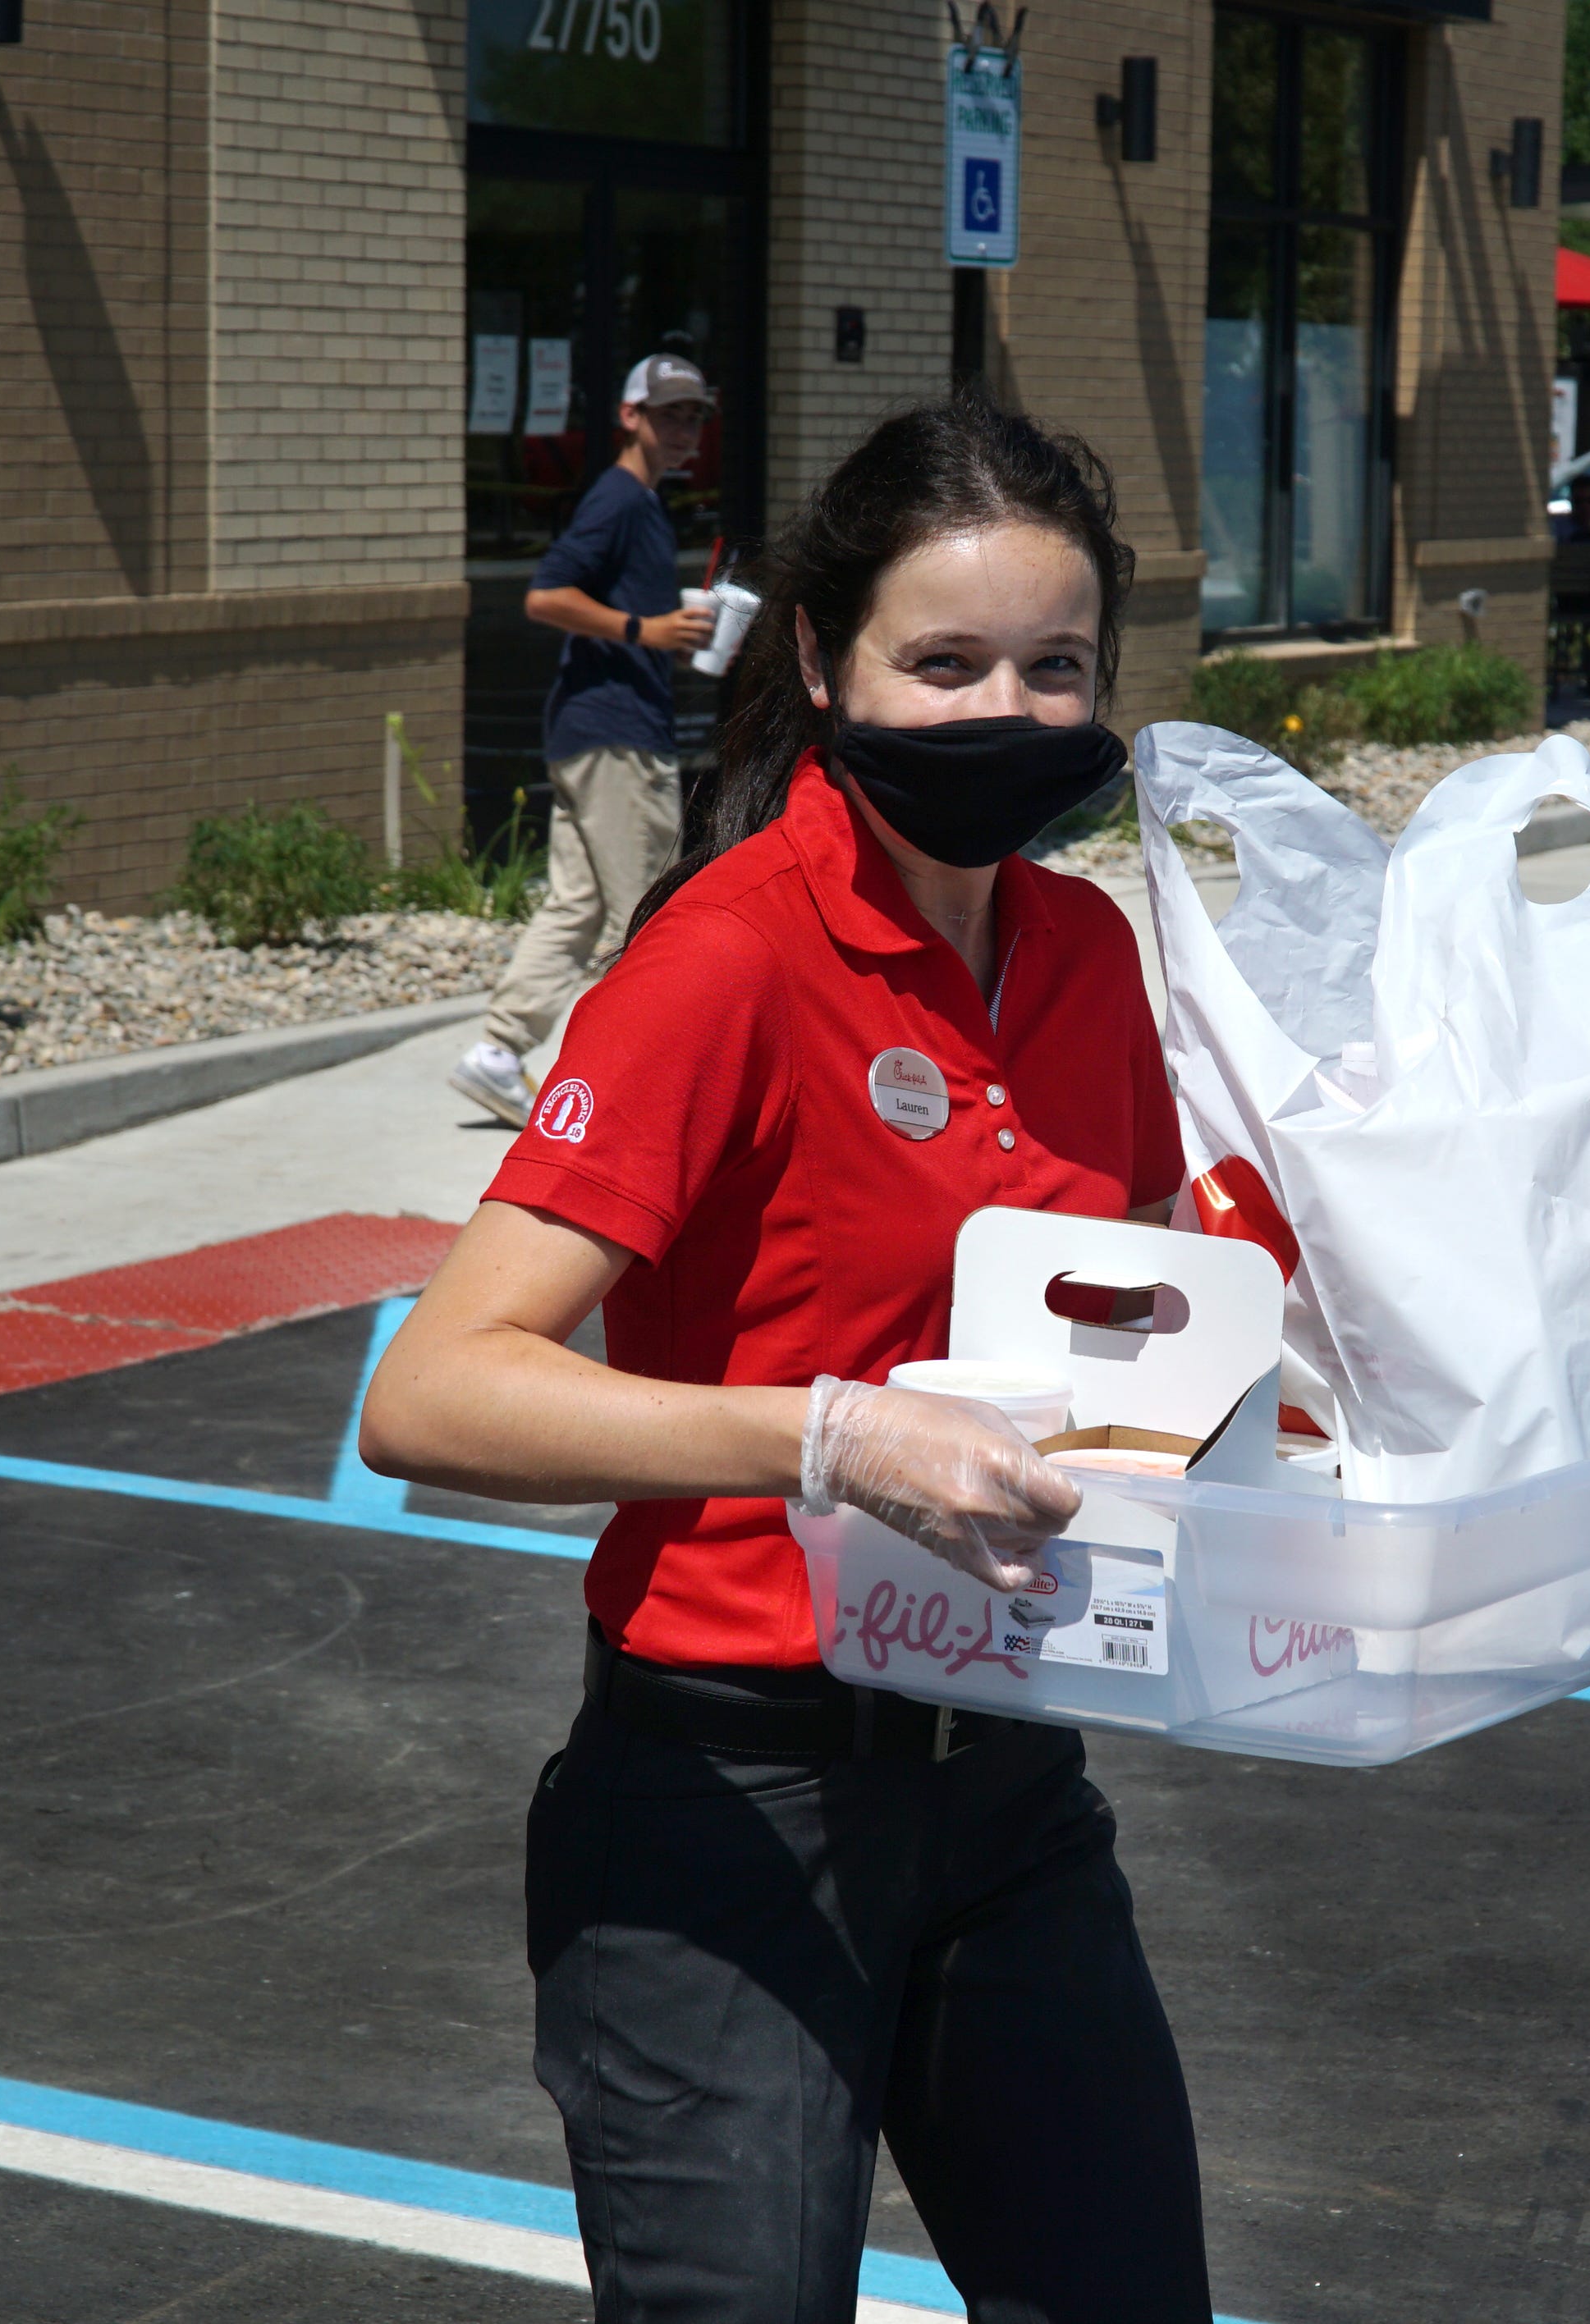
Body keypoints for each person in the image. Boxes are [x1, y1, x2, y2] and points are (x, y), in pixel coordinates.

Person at [362, 396, 1214, 2323]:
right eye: (943, 662)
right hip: (728, 1803)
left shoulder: (1085, 955)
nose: (1007, 706)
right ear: (821, 662)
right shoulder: (725, 958)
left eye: (1053, 665)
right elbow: (431, 1388)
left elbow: (1153, 1309)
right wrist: (832, 1432)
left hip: (1008, 1781)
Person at [449, 353, 722, 1128]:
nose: (683, 428)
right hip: (617, 738)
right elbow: (545, 596)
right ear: (628, 417)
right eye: (668, 413)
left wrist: (661, 638)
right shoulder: (620, 500)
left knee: (577, 905)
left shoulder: (638, 503)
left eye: (694, 415)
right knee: (645, 914)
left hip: (588, 730)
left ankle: (497, 1055)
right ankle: (622, 1088)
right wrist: (648, 629)